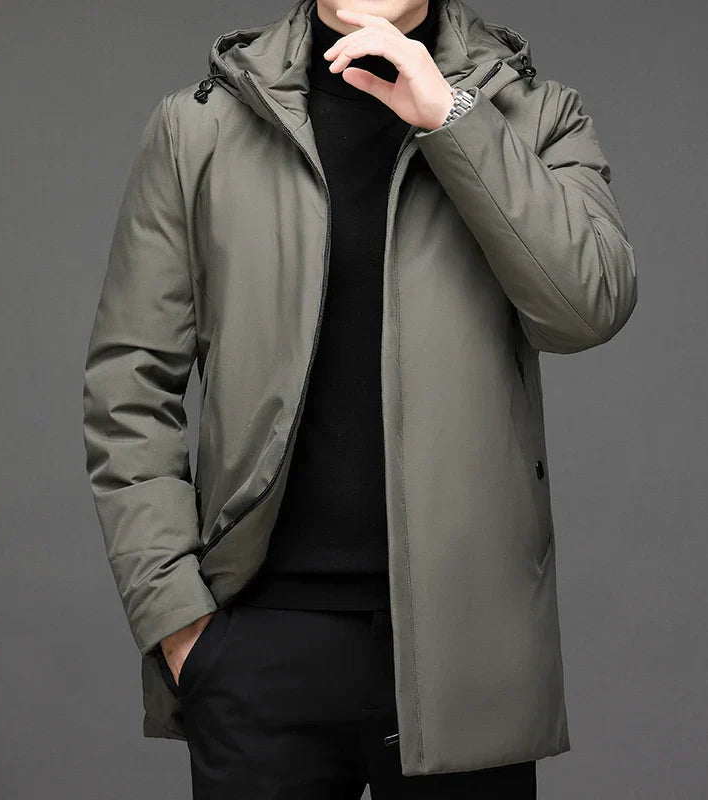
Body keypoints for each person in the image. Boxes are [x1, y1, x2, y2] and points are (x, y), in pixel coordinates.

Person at [82, 0, 637, 796]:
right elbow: (128, 386)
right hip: (257, 642)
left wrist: (454, 116)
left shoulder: (534, 112)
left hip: (468, 651)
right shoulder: (199, 127)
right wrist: (178, 620)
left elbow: (586, 307)